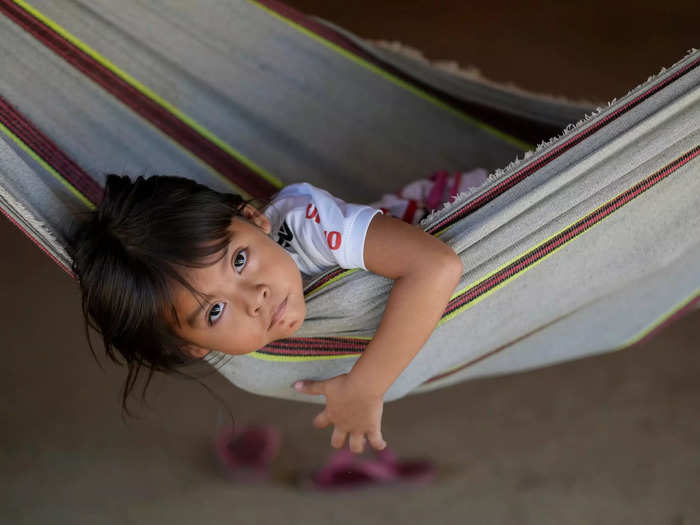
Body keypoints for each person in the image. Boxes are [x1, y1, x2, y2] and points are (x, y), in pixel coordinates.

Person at [70, 170, 485, 454]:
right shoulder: (254, 361)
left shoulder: (305, 222)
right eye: (214, 312)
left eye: (238, 261)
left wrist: (365, 386)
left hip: (474, 213)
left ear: (254, 220)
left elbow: (437, 266)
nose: (255, 297)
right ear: (192, 346)